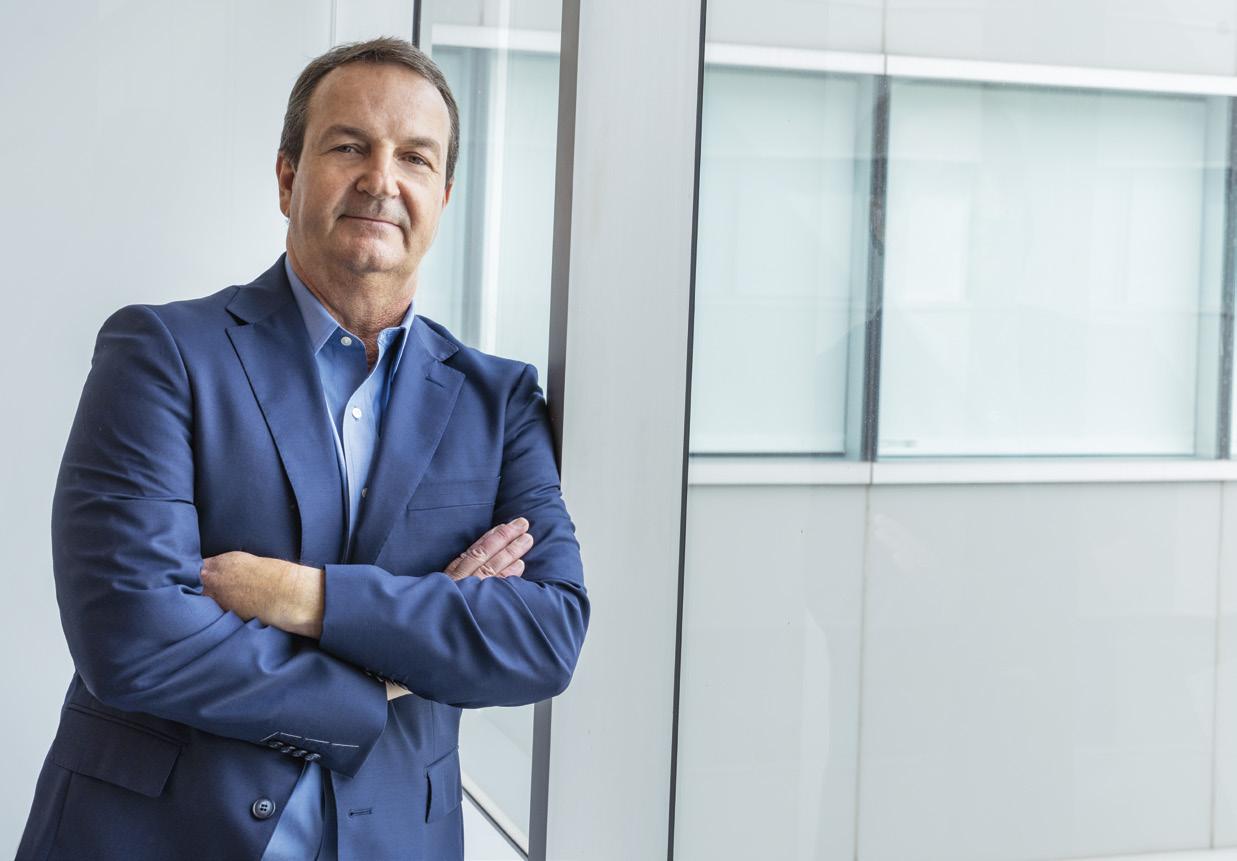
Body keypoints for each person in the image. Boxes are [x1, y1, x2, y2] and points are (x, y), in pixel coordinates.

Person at [17, 36, 588, 860]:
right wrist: (391, 673)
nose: (381, 179)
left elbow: (545, 635)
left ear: (442, 195)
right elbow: (133, 638)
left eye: (415, 157)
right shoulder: (161, 353)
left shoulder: (498, 402)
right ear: (287, 176)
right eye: (349, 146)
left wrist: (304, 596)